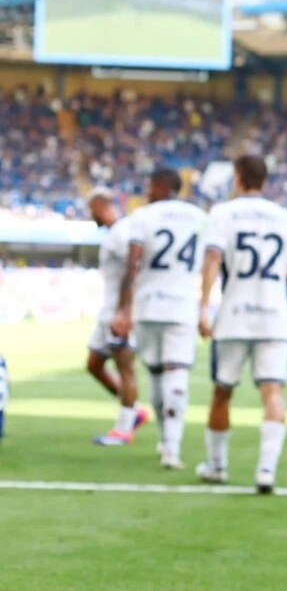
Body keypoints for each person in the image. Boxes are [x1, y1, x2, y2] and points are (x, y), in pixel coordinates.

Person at [195, 155, 287, 494]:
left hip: (234, 315)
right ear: (265, 179)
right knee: (273, 392)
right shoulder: (285, 216)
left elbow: (213, 258)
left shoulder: (223, 213)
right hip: (274, 317)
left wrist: (203, 307)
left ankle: (217, 466)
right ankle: (266, 471)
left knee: (222, 391)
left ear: (237, 177)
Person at [111, 168, 207, 470]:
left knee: (155, 375)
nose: (147, 191)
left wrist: (123, 309)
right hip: (182, 305)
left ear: (163, 186)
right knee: (176, 375)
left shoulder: (143, 216)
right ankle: (171, 449)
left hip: (148, 304)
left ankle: (165, 440)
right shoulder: (199, 217)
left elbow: (132, 264)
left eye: (150, 186)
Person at [86, 188, 150, 446]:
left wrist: (126, 310)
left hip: (119, 312)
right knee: (94, 364)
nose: (90, 215)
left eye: (91, 210)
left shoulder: (123, 231)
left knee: (125, 366)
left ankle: (124, 429)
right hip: (108, 311)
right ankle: (135, 411)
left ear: (100, 206)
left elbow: (134, 267)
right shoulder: (114, 232)